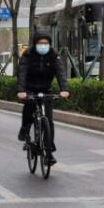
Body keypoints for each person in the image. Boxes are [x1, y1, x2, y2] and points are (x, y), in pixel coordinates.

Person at [17, 31, 69, 165]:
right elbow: (22, 73)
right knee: (28, 109)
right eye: (40, 43)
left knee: (49, 121)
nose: (43, 45)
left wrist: (64, 89)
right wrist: (21, 91)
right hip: (30, 89)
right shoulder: (27, 55)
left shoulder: (54, 55)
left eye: (46, 43)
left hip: (46, 89)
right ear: (35, 44)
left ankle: (49, 153)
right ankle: (25, 130)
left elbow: (60, 72)